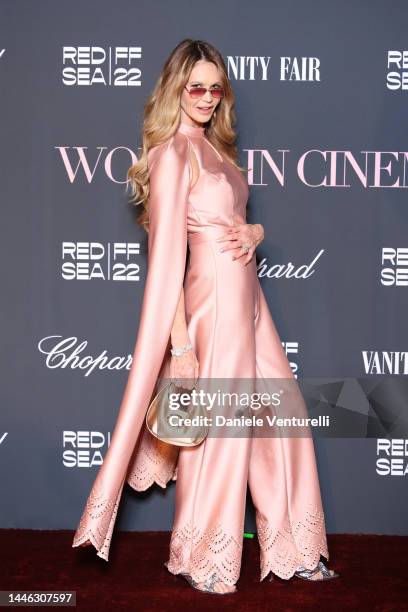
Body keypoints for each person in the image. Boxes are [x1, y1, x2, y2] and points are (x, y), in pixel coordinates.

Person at [72, 39, 339, 595]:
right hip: (211, 310)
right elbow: (166, 259)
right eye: (196, 86)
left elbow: (230, 218)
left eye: (216, 88)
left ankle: (295, 547)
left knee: (282, 422)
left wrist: (256, 231)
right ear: (176, 87)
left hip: (251, 304)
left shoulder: (219, 150)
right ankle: (204, 557)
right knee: (220, 435)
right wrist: (181, 345)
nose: (207, 97)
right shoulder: (173, 154)